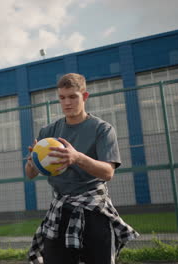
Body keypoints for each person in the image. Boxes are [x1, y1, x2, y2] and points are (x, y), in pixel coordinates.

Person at [25, 73, 139, 264]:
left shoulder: (102, 129)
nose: (67, 102)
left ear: (84, 97)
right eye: (62, 98)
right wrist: (32, 163)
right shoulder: (48, 132)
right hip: (60, 211)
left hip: (93, 211)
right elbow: (30, 174)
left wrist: (76, 157)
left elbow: (108, 172)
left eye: (72, 97)